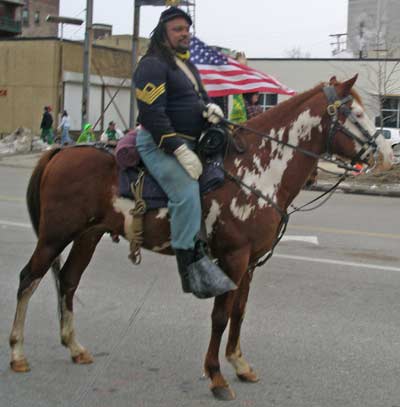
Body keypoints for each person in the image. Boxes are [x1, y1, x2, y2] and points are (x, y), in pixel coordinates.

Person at [134, 6, 236, 299]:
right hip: (158, 143)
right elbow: (152, 115)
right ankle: (190, 269)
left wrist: (209, 109)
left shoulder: (185, 65)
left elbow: (199, 98)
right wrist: (178, 149)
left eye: (187, 29)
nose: (185, 34)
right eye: (178, 29)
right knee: (186, 192)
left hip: (192, 142)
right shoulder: (152, 64)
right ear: (163, 33)